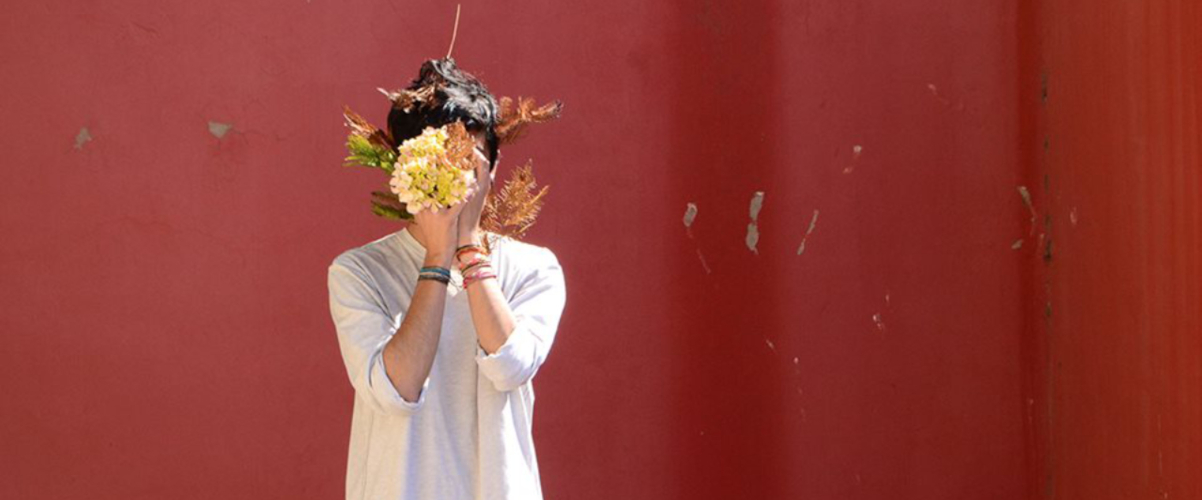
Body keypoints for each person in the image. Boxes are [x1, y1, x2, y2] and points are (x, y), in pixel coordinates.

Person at [326, 57, 567, 500]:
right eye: (440, 164)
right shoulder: (359, 272)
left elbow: (511, 366)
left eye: (469, 164)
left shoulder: (534, 268)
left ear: (492, 168)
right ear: (405, 170)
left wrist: (468, 244)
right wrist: (438, 255)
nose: (456, 182)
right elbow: (397, 389)